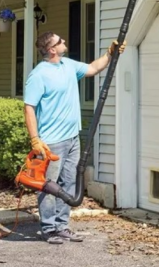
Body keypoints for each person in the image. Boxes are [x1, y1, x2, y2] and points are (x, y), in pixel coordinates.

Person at [24, 31, 124, 245]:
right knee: (49, 186)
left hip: (72, 138)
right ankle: (48, 228)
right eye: (60, 41)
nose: (64, 42)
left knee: (68, 183)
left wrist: (110, 53)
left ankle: (62, 226)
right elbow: (29, 107)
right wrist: (35, 139)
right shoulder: (39, 74)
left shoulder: (67, 65)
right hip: (51, 142)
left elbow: (93, 68)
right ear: (51, 49)